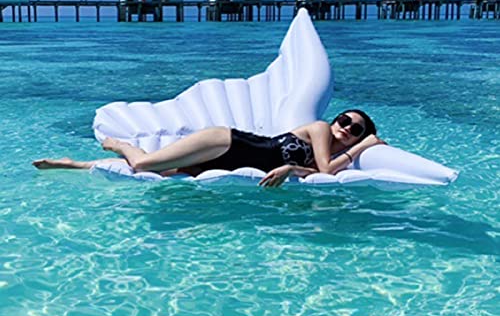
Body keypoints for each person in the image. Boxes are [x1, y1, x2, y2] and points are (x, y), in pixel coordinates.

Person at [33, 110, 384, 187]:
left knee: (160, 173)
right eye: (345, 119)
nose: (345, 128)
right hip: (227, 141)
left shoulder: (326, 154)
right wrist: (361, 148)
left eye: (355, 130)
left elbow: (313, 173)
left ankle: (73, 164)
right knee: (142, 166)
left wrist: (292, 169)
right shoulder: (321, 130)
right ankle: (122, 145)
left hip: (229, 164)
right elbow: (325, 171)